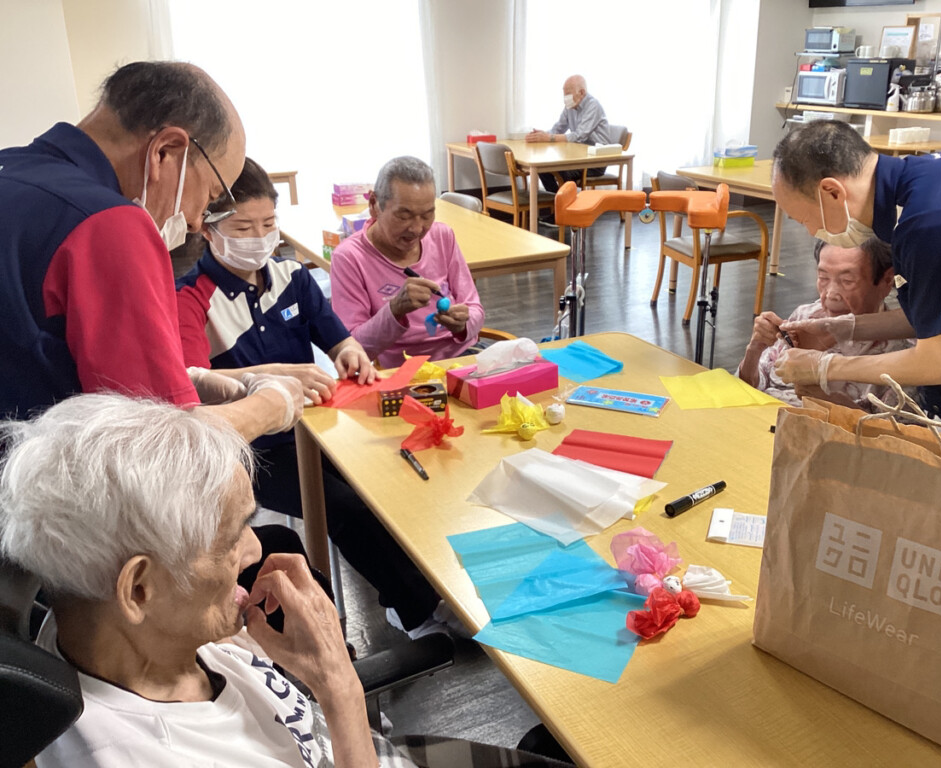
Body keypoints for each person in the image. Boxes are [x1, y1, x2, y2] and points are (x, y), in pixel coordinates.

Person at [0, 394, 573, 768]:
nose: (254, 550)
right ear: (139, 590)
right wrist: (340, 687)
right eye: (232, 537)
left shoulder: (109, 626)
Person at [177, 157, 446, 637]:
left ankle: (420, 590)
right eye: (243, 227)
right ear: (208, 229)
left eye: (268, 224)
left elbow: (339, 340)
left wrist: (350, 354)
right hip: (251, 449)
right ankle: (417, 609)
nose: (259, 237)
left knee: (388, 480)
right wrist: (272, 375)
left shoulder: (292, 278)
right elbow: (193, 383)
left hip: (316, 428)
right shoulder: (192, 297)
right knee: (344, 507)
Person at [0, 60, 301, 440]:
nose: (196, 222)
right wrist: (267, 408)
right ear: (165, 151)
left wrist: (182, 379)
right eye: (210, 196)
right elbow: (159, 443)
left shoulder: (12, 170)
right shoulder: (108, 224)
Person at [769, 120, 941, 434]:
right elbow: (934, 316)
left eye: (803, 218)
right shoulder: (920, 184)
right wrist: (839, 328)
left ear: (832, 192)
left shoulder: (928, 223)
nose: (810, 231)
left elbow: (940, 363)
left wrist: (824, 367)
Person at [330, 156, 485, 369]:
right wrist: (395, 310)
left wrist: (462, 324)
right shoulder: (350, 257)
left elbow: (475, 309)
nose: (417, 229)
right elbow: (354, 349)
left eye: (427, 215)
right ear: (374, 204)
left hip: (463, 358)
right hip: (404, 371)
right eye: (404, 216)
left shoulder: (442, 236)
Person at [737, 238, 912, 410]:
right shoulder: (806, 316)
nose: (831, 294)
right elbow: (748, 386)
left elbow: (893, 427)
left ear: (887, 280)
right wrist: (754, 349)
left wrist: (827, 400)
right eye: (823, 278)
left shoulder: (903, 353)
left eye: (847, 281)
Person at [526, 74, 611, 192]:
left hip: (595, 161)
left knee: (562, 171)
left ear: (582, 92)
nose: (565, 98)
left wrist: (548, 137)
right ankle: (556, 200)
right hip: (577, 157)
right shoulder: (570, 106)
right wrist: (541, 135)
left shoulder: (593, 105)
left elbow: (579, 136)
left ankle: (568, 201)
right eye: (564, 95)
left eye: (568, 94)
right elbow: (558, 129)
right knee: (542, 167)